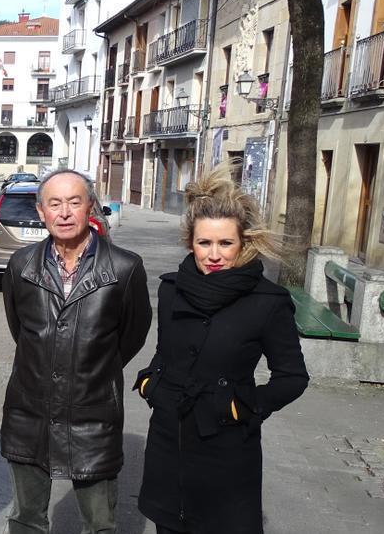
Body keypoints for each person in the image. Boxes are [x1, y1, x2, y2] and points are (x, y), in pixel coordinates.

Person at [135, 163, 308, 534]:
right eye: (204, 243)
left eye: (225, 243)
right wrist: (153, 382)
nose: (214, 254)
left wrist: (244, 406)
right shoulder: (170, 289)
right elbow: (166, 351)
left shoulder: (268, 302)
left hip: (227, 446)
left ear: (243, 243)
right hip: (169, 440)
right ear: (190, 242)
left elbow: (292, 377)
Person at [0, 169, 152, 534]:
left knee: (99, 524)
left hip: (93, 416)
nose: (64, 212)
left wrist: (92, 368)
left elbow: (132, 335)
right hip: (29, 413)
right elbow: (21, 331)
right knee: (25, 519)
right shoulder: (21, 265)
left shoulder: (124, 268)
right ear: (41, 212)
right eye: (54, 204)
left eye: (74, 202)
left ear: (91, 208)